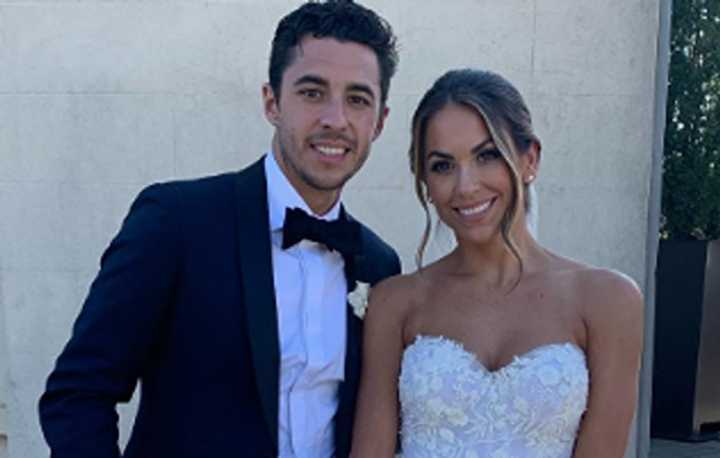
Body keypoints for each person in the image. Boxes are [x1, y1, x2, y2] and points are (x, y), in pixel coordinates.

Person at [38, 1, 400, 457]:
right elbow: (78, 393)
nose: (335, 118)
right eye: (312, 92)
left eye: (357, 99)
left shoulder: (379, 264)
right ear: (272, 102)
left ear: (380, 121)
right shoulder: (175, 222)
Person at [350, 69, 644, 458]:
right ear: (426, 183)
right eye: (442, 165)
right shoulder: (395, 302)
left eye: (487, 156)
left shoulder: (607, 300)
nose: (466, 185)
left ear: (529, 159)